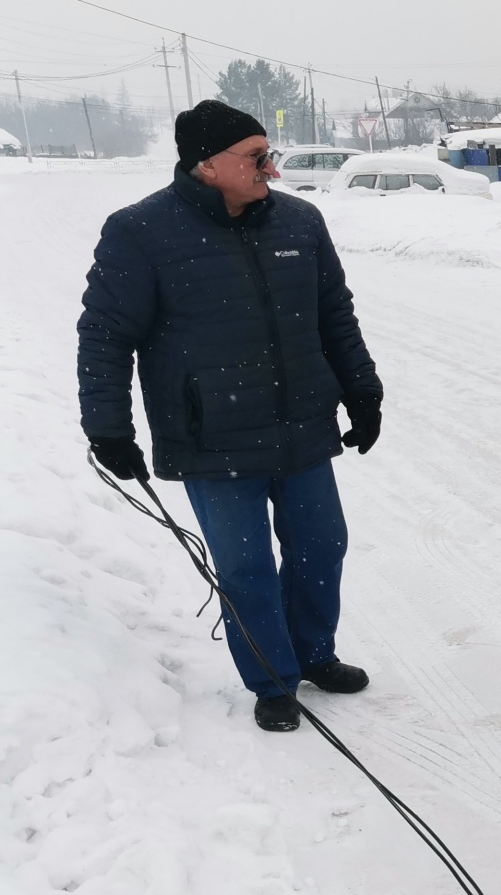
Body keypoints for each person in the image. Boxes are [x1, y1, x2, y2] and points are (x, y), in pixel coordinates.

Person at [77, 100, 384, 732]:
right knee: (245, 565)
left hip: (301, 424)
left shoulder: (300, 222)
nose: (270, 168)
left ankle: (314, 654)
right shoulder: (140, 231)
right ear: (205, 165)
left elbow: (334, 315)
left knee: (322, 546)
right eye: (255, 156)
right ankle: (272, 679)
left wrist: (363, 389)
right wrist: (107, 425)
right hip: (210, 436)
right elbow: (105, 334)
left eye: (268, 154)